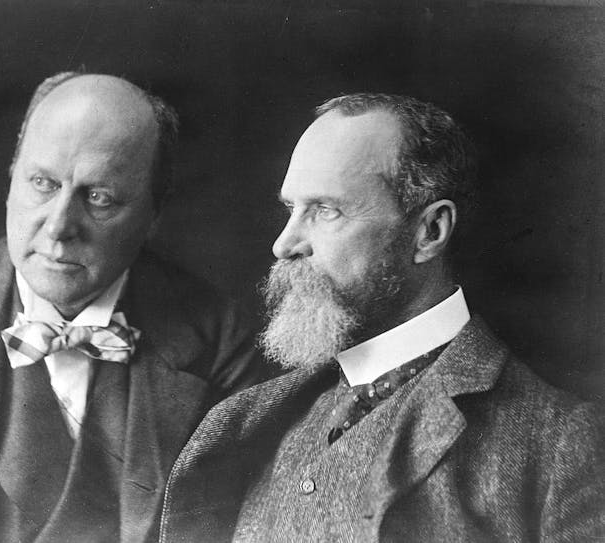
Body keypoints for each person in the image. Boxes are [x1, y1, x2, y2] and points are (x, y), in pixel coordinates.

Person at [159, 94, 605, 542]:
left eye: (326, 210)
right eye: (291, 209)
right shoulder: (240, 425)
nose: (284, 244)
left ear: (429, 232)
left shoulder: (561, 444)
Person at [0, 72, 265, 543]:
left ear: (154, 213)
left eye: (98, 197)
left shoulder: (219, 341)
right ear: (12, 178)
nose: (59, 226)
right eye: (43, 184)